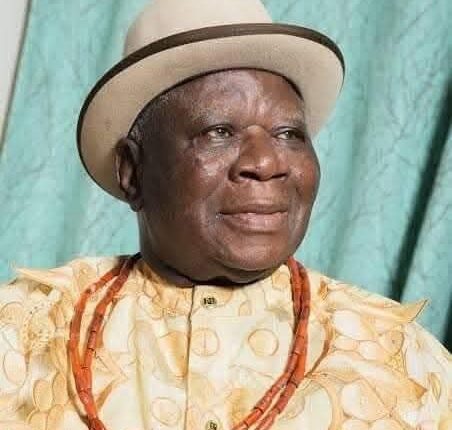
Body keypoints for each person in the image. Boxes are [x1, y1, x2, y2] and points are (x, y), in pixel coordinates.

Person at [0, 0, 450, 429]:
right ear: (133, 171)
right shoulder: (23, 334)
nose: (266, 162)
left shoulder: (405, 364)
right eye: (219, 131)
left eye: (288, 133)